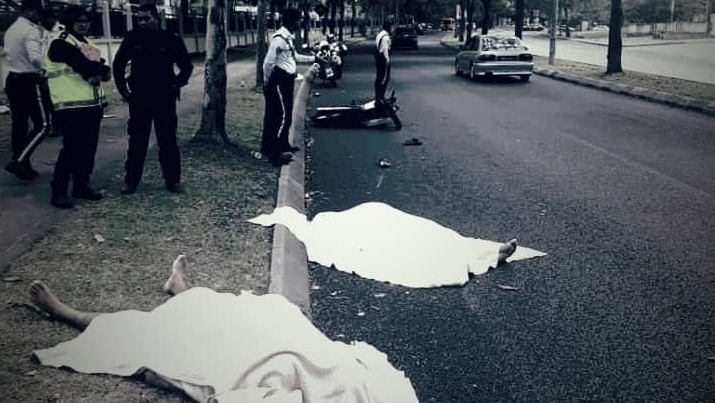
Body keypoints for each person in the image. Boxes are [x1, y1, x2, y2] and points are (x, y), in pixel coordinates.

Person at [28, 255, 419, 403]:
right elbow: (356, 366)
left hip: (259, 365)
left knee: (152, 340)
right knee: (236, 311)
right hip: (294, 345)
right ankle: (181, 289)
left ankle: (69, 314)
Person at [112, 4, 193, 195]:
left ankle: (173, 181)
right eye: (139, 19)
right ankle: (131, 182)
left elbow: (186, 66)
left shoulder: (170, 38)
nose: (142, 22)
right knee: (137, 142)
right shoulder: (132, 38)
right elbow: (118, 65)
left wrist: (175, 85)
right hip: (139, 98)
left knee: (168, 141)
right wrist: (124, 91)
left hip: (164, 99)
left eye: (146, 18)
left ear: (156, 18)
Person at [45, 5, 111, 209]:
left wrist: (101, 69)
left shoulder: (86, 43)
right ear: (70, 22)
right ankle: (59, 191)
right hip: (70, 106)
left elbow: (101, 70)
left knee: (88, 148)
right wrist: (101, 69)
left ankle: (82, 185)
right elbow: (85, 65)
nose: (84, 24)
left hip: (91, 104)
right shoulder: (60, 43)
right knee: (72, 149)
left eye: (86, 21)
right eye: (79, 21)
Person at [2, 0, 52, 181]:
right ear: (31, 11)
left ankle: (23, 165)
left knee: (19, 125)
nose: (39, 17)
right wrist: (46, 70)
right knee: (43, 125)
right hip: (29, 81)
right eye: (38, 13)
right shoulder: (31, 30)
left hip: (13, 79)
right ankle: (18, 160)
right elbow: (35, 57)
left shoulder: (12, 29)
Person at [260, 7, 316, 167]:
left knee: (287, 114)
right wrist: (268, 82)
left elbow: (294, 57)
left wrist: (314, 59)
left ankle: (283, 144)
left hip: (286, 80)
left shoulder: (287, 38)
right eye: (299, 19)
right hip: (278, 80)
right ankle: (274, 152)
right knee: (280, 115)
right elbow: (268, 63)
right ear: (293, 21)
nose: (301, 22)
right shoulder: (279, 39)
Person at [374, 20, 392, 106]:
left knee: (379, 77)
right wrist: (388, 61)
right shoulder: (385, 37)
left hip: (378, 57)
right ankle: (380, 96)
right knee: (385, 78)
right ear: (388, 27)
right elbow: (385, 50)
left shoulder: (380, 34)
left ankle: (378, 96)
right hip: (383, 58)